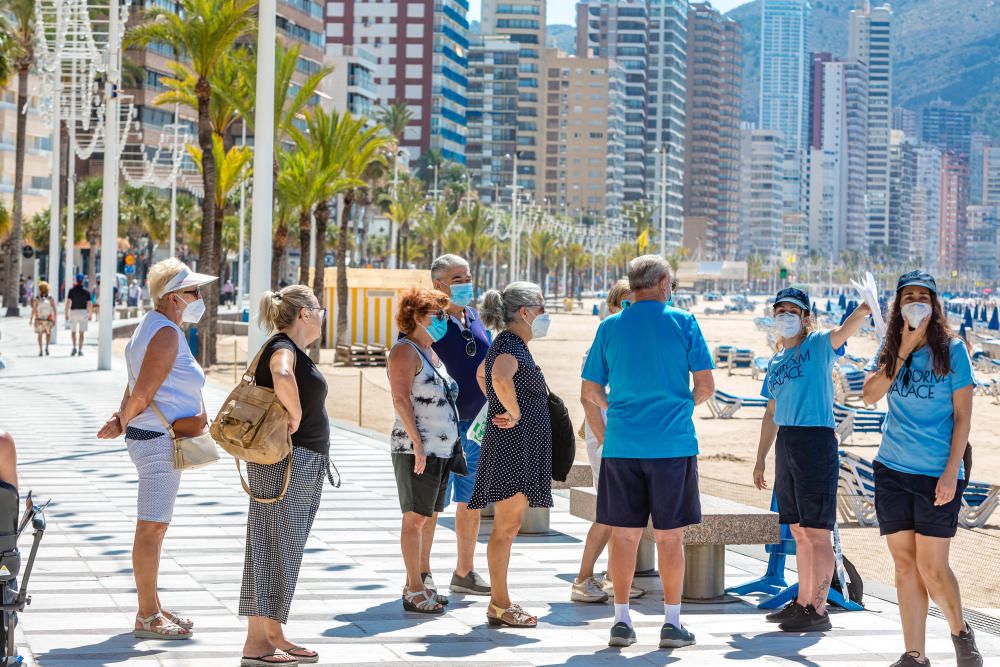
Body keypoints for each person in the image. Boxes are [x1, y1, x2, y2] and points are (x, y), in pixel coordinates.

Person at [581, 255, 714, 649]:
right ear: (660, 282)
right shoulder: (683, 321)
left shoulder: (609, 326)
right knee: (670, 538)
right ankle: (672, 623)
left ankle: (621, 621)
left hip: (622, 445)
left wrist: (621, 411)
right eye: (669, 281)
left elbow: (590, 392)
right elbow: (705, 386)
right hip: (671, 445)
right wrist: (679, 406)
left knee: (624, 537)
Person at [862, 271, 983, 667]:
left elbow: (963, 418)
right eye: (908, 296)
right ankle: (915, 655)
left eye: (922, 296)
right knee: (904, 564)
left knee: (932, 567)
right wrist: (905, 347)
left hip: (937, 473)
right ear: (898, 305)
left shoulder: (953, 349)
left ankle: (960, 630)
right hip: (892, 469)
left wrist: (951, 473)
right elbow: (869, 396)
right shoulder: (892, 346)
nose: (915, 301)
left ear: (934, 303)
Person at [96, 258, 216, 641]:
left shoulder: (150, 326)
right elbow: (144, 391)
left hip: (154, 435)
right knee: (152, 527)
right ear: (173, 298)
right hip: (159, 440)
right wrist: (121, 420)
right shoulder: (166, 334)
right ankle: (147, 614)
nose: (199, 297)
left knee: (155, 526)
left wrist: (122, 416)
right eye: (193, 292)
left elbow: (135, 384)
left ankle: (154, 605)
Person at [751, 287, 871, 632]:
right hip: (786, 442)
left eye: (793, 310)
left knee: (818, 532)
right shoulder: (775, 362)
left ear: (806, 317)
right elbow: (770, 411)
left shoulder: (818, 345)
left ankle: (818, 610)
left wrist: (863, 310)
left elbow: (843, 331)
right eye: (780, 310)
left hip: (816, 441)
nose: (786, 316)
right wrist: (760, 459)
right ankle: (802, 602)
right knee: (800, 531)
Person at [240, 285, 335, 665]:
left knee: (269, 546)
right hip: (288, 463)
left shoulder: (288, 347)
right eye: (319, 308)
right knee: (279, 547)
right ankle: (268, 636)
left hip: (291, 462)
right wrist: (294, 414)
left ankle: (262, 639)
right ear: (304, 314)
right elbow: (281, 375)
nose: (323, 314)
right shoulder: (284, 349)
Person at [469, 281, 553, 628]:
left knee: (509, 525)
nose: (545, 315)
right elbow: (499, 376)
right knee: (505, 527)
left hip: (517, 446)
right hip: (513, 446)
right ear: (524, 312)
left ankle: (500, 602)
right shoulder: (509, 345)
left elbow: (482, 374)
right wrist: (513, 410)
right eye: (541, 308)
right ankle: (500, 604)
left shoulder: (511, 344)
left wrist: (501, 402)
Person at [387, 288, 459, 615]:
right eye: (437, 315)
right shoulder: (405, 351)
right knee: (415, 518)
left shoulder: (432, 352)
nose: (443, 320)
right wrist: (416, 441)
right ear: (416, 317)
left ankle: (422, 579)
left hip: (442, 449)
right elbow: (401, 399)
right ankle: (413, 588)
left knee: (429, 517)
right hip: (417, 447)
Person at [573, 279, 645, 603]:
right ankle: (583, 578)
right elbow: (588, 398)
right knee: (609, 511)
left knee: (625, 511)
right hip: (607, 438)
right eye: (627, 304)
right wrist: (603, 441)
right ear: (614, 306)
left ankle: (615, 578)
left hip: (629, 439)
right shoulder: (601, 343)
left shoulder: (636, 344)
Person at [426, 254, 491, 597]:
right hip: (441, 425)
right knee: (433, 503)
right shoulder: (429, 320)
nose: (466, 283)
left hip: (477, 426)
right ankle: (422, 573)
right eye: (457, 278)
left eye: (468, 276)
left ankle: (464, 570)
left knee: (471, 501)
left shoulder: (472, 316)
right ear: (439, 284)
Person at [67, 273, 93, 356]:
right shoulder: (86, 291)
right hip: (83, 312)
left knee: (73, 331)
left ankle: (74, 347)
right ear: (83, 281)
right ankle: (80, 350)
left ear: (76, 280)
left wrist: (66, 313)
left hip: (73, 312)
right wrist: (90, 314)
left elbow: (68, 302)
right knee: (82, 332)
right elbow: (89, 304)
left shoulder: (71, 291)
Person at [29, 281, 56, 356]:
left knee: (40, 334)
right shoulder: (50, 298)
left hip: (39, 319)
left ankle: (40, 350)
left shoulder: (37, 298)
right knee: (48, 333)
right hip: (48, 318)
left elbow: (34, 309)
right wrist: (55, 319)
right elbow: (54, 309)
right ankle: (47, 348)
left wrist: (31, 319)